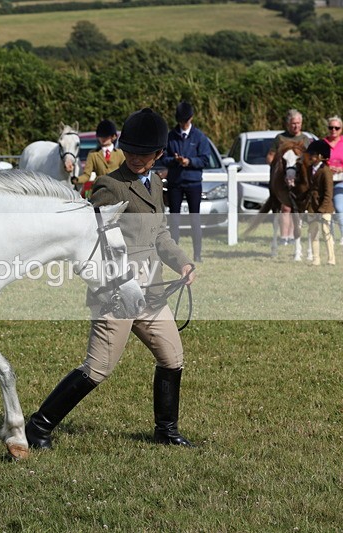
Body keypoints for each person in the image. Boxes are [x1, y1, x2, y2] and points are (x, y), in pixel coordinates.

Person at [25, 108, 197, 450]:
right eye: (130, 152)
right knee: (98, 368)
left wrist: (182, 263)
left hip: (151, 293)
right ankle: (38, 427)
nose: (135, 159)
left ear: (158, 155)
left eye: (143, 154)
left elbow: (160, 233)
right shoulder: (109, 185)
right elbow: (96, 239)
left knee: (172, 358)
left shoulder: (158, 182)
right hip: (119, 291)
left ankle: (166, 430)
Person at [161, 101, 212, 262]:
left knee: (194, 218)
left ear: (191, 118)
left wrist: (189, 162)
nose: (183, 124)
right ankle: (174, 253)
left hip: (193, 182)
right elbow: (163, 157)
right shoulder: (170, 136)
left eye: (185, 121)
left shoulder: (199, 137)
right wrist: (175, 160)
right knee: (174, 219)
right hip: (175, 182)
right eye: (181, 121)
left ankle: (198, 254)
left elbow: (205, 159)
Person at [266, 109, 313, 245]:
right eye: (293, 124)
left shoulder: (305, 139)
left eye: (298, 123)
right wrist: (275, 167)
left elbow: (309, 159)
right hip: (282, 178)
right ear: (288, 124)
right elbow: (270, 156)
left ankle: (293, 236)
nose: (296, 126)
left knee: (296, 208)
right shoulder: (280, 138)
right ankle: (284, 236)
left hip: (299, 179)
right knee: (285, 206)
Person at [304, 140, 336, 266]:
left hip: (325, 207)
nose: (310, 156)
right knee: (313, 232)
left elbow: (328, 193)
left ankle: (331, 258)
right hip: (312, 206)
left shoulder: (326, 171)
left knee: (325, 231)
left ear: (320, 156)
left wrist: (322, 210)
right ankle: (316, 258)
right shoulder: (309, 169)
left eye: (313, 154)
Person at [74, 119, 124, 199]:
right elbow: (87, 175)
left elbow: (125, 173)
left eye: (106, 136)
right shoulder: (93, 154)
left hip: (117, 190)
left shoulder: (120, 153)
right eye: (101, 136)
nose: (103, 138)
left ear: (113, 137)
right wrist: (76, 179)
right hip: (99, 190)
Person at [323, 115, 343, 244]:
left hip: (340, 181)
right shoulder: (322, 143)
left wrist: (341, 169)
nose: (333, 130)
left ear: (341, 129)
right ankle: (329, 237)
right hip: (325, 181)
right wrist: (327, 168)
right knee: (326, 210)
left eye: (336, 128)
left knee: (340, 207)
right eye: (331, 127)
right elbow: (315, 161)